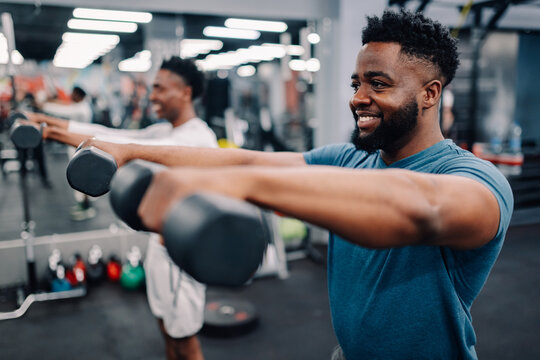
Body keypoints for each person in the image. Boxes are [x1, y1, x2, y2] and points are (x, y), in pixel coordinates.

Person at [40, 10, 513, 359]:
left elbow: (421, 209)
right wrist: (128, 149)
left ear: (430, 93)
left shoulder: (474, 181)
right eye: (355, 83)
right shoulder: (351, 159)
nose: (358, 98)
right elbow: (243, 158)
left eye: (378, 84)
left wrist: (242, 188)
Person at [27, 57, 217, 360]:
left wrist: (54, 130)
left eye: (159, 88)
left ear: (185, 92)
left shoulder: (198, 138)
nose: (151, 95)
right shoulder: (163, 131)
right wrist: (51, 127)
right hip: (159, 244)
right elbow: (116, 137)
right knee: (167, 332)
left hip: (182, 255)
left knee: (186, 342)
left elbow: (128, 148)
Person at [40, 85, 94, 218]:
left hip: (80, 146)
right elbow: (65, 106)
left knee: (82, 177)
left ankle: (86, 206)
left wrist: (44, 106)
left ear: (79, 95)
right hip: (77, 145)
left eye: (73, 94)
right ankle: (84, 204)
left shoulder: (81, 109)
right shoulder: (81, 106)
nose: (71, 96)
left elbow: (64, 110)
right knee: (81, 177)